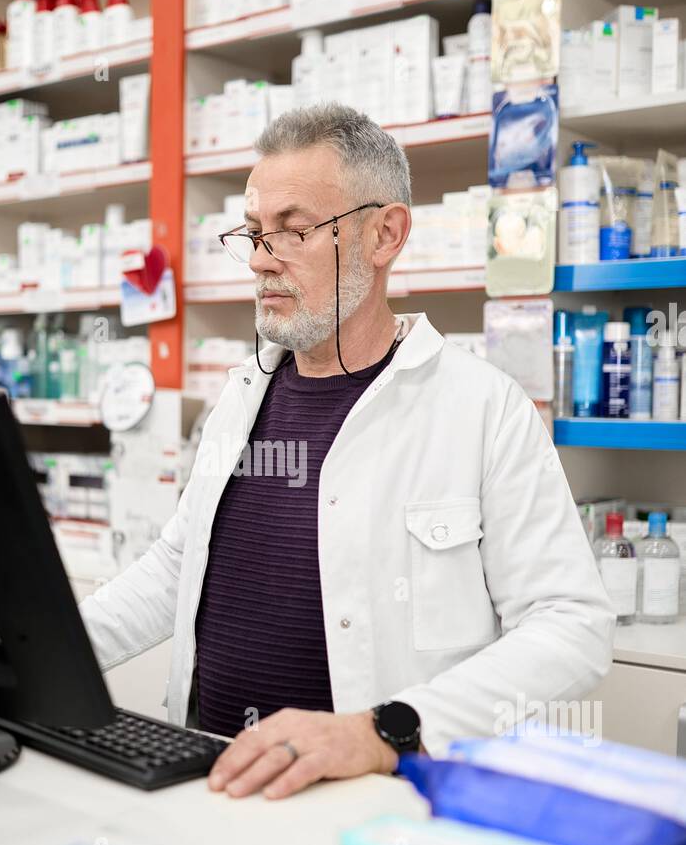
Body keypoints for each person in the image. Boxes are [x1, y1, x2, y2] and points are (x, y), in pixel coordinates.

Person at [81, 103, 614, 800]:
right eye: (252, 235)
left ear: (384, 234)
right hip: (216, 787)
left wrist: (386, 729)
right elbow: (177, 568)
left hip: (384, 805)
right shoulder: (240, 400)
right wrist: (40, 650)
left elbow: (572, 627)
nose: (262, 262)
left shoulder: (482, 410)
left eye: (295, 231)